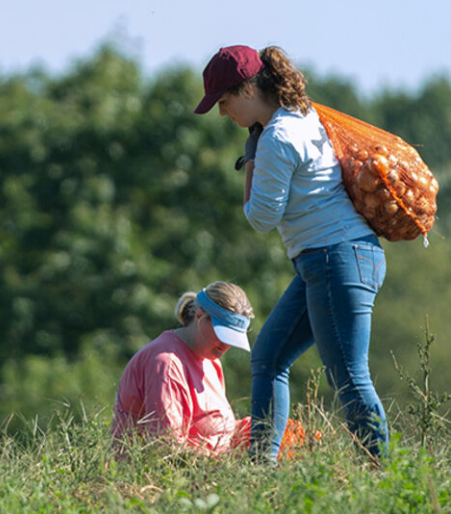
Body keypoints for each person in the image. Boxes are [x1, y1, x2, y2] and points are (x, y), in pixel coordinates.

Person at [195, 45, 388, 462]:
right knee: (268, 356)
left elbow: (261, 218)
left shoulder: (277, 137)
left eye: (224, 102)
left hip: (335, 258)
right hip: (331, 259)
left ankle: (383, 474)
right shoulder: (303, 116)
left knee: (349, 377)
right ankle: (260, 468)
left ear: (247, 91)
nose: (223, 113)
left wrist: (251, 160)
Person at [111, 282, 254, 456]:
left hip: (209, 475)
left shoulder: (212, 360)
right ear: (200, 317)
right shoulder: (166, 365)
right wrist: (224, 465)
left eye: (233, 339)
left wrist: (254, 431)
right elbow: (164, 448)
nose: (226, 345)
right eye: (223, 334)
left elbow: (213, 430)